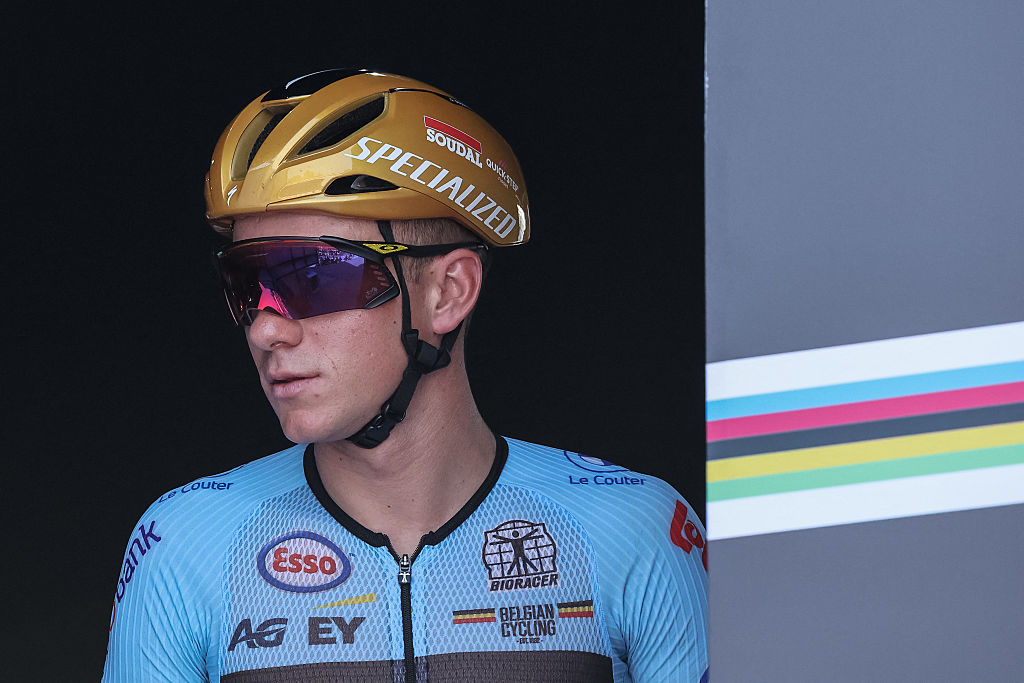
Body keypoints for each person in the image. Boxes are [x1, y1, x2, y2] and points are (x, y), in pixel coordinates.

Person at [102, 68, 709, 683]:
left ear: (449, 292)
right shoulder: (182, 544)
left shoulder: (639, 530)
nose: (265, 329)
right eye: (245, 287)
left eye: (313, 277)